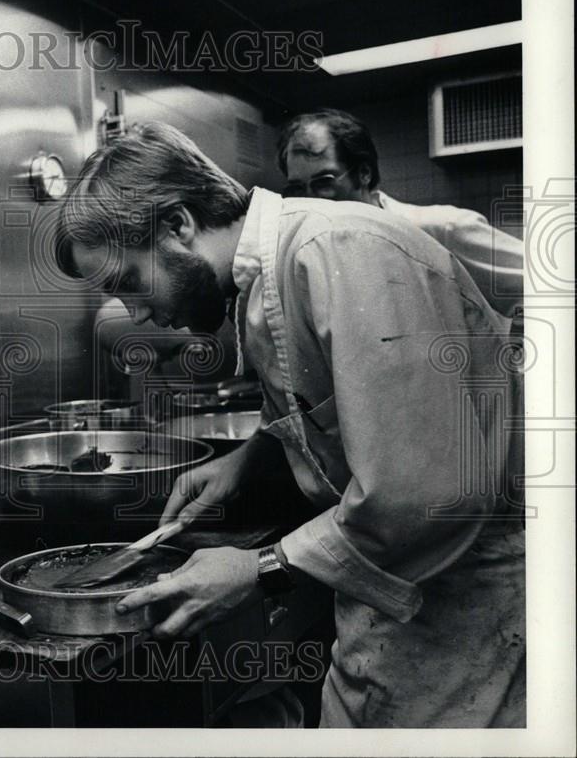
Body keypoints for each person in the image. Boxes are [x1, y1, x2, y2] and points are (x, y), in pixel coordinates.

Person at [53, 122, 525, 727]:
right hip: (396, 602)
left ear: (178, 225)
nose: (138, 312)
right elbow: (342, 409)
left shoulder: (340, 251)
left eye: (130, 283)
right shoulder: (265, 281)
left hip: (466, 605)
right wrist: (252, 457)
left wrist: (258, 568)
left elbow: (423, 496)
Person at [277, 108, 524, 318]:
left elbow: (546, 289)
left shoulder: (441, 228)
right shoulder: (315, 255)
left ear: (364, 173)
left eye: (324, 182)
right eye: (298, 188)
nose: (310, 199)